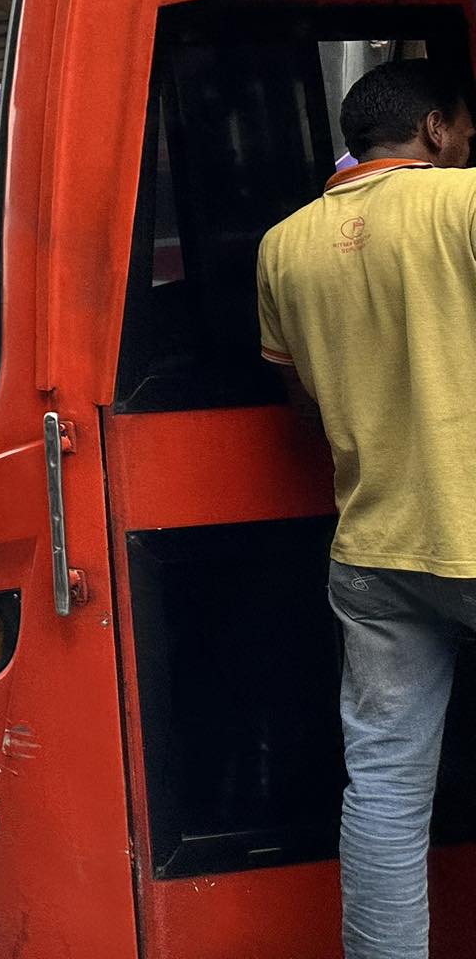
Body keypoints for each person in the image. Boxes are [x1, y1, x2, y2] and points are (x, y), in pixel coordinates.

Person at [256, 58, 476, 958]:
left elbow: (300, 397)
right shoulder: (462, 203)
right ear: (434, 130)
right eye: (465, 130)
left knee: (384, 786)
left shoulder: (284, 245)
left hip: (375, 549)